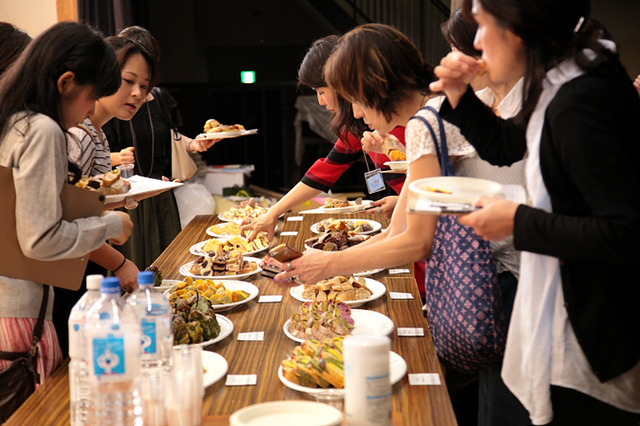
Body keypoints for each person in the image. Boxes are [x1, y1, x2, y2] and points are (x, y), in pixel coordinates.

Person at [431, 0, 640, 424]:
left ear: (518, 30)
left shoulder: (582, 99)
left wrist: (516, 220)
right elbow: (507, 145)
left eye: (483, 26)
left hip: (596, 325)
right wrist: (460, 96)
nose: (476, 42)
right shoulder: (559, 78)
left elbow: (627, 231)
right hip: (567, 303)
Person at [0, 21, 132, 416]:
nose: (91, 111)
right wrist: (112, 224)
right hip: (20, 315)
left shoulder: (11, 120)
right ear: (66, 82)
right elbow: (40, 239)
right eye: (91, 98)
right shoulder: (41, 129)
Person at [242, 34, 406, 247]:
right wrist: (273, 213)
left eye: (321, 91)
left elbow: (431, 180)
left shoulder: (406, 122)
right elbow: (323, 172)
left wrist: (404, 202)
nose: (320, 101)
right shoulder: (358, 127)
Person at [103, 26, 219, 271]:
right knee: (130, 266)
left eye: (145, 79)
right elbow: (97, 155)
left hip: (161, 192)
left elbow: (172, 137)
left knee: (168, 264)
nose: (137, 91)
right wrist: (117, 157)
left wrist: (195, 144)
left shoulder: (160, 97)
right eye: (130, 77)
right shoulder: (111, 101)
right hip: (127, 195)